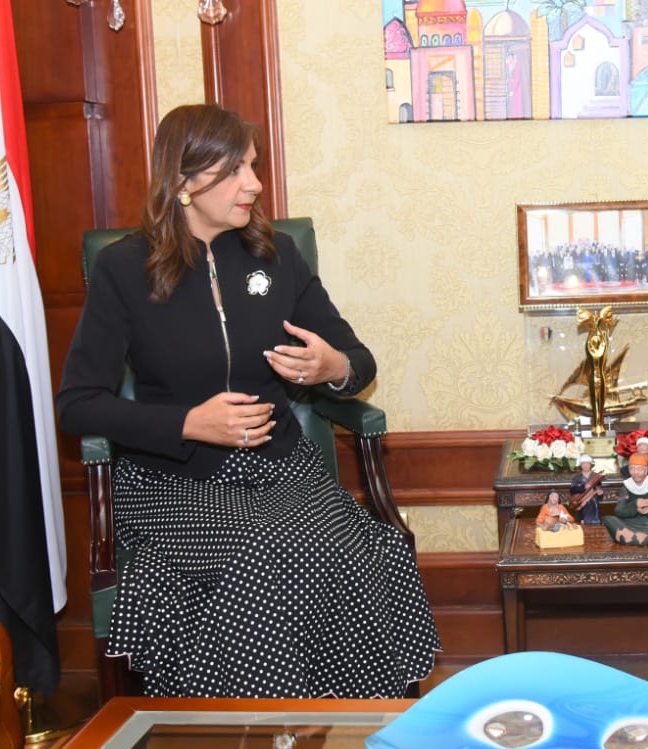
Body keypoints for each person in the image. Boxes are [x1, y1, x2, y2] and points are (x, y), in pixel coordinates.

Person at [57, 104, 441, 701]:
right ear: (182, 181)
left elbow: (357, 360)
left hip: (283, 471)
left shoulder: (277, 256)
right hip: (175, 482)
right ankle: (256, 737)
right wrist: (189, 423)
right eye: (234, 169)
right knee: (260, 553)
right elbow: (78, 404)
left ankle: (332, 725)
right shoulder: (125, 268)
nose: (255, 184)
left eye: (254, 166)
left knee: (345, 546)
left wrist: (332, 367)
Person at [569, 453, 604, 524]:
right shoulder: (576, 477)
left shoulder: (596, 476)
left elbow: (599, 488)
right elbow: (572, 490)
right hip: (581, 502)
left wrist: (600, 493)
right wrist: (583, 487)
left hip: (593, 503)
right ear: (580, 465)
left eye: (587, 463)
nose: (585, 465)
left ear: (590, 464)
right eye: (583, 463)